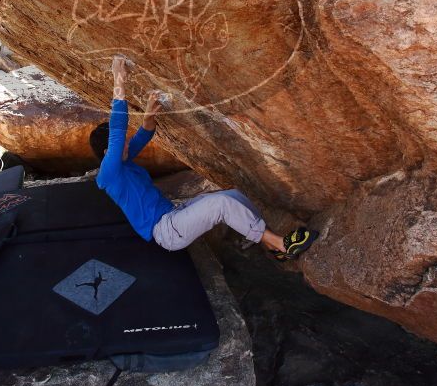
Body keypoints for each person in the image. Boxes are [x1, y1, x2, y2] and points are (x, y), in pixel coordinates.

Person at [91, 56, 317, 259]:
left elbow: (144, 134)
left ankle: (269, 243)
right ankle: (283, 246)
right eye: (123, 144)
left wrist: (149, 116)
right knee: (221, 204)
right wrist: (118, 79)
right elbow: (118, 128)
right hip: (167, 231)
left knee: (233, 195)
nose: (128, 143)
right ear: (106, 152)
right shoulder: (109, 173)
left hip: (174, 213)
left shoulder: (124, 161)